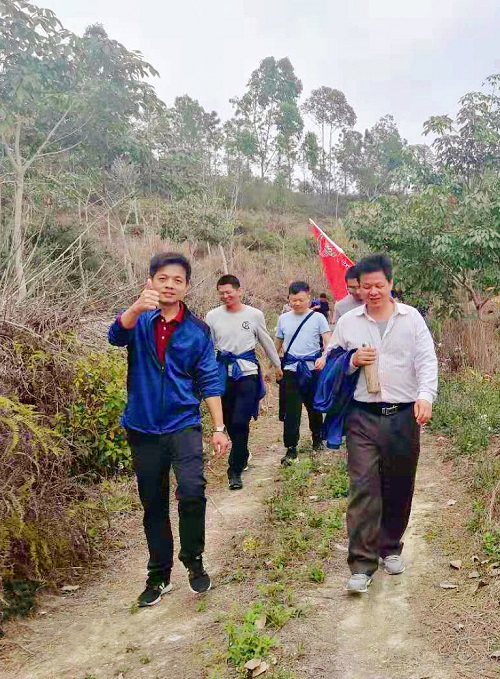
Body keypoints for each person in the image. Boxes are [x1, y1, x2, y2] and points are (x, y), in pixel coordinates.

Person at [108, 252, 229, 606]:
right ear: (150, 281)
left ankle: (193, 560)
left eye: (177, 280)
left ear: (187, 286)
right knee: (153, 502)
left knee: (192, 490)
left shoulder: (197, 331)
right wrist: (135, 308)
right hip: (143, 426)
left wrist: (219, 427)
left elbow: (209, 379)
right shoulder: (139, 320)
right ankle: (158, 575)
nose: (170, 285)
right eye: (162, 278)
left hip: (183, 423)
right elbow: (115, 336)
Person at [326, 253, 438, 594]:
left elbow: (426, 360)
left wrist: (425, 396)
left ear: (391, 283)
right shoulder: (349, 322)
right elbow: (329, 361)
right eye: (366, 286)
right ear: (358, 288)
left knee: (399, 483)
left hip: (403, 415)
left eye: (378, 285)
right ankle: (361, 564)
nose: (372, 292)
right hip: (362, 416)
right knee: (363, 486)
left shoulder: (411, 318)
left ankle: (390, 547)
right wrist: (351, 360)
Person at [206, 275, 282, 491]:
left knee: (241, 421)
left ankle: (235, 470)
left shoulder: (254, 315)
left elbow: (266, 341)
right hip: (222, 373)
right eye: (221, 293)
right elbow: (207, 346)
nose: (225, 296)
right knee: (229, 420)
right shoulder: (212, 316)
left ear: (239, 291)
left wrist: (277, 365)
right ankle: (243, 451)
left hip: (247, 373)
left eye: (229, 292)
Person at [275, 281, 331, 466]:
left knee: (314, 407)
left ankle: (317, 438)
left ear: (309, 297)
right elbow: (277, 344)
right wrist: (275, 365)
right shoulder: (283, 319)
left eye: (301, 299)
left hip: (312, 369)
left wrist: (324, 357)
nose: (297, 303)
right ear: (289, 299)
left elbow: (328, 342)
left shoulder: (318, 318)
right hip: (291, 369)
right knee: (291, 410)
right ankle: (291, 448)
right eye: (293, 300)